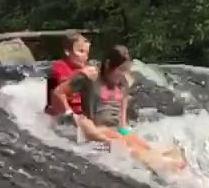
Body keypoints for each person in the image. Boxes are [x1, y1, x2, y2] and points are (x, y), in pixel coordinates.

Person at [53, 44, 186, 173]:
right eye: (121, 70)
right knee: (121, 143)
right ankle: (161, 162)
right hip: (97, 129)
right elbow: (58, 92)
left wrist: (127, 132)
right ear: (108, 64)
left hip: (116, 129)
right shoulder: (90, 75)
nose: (123, 74)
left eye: (126, 70)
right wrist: (70, 115)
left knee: (137, 143)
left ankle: (164, 159)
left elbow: (122, 120)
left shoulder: (124, 81)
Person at [44, 32, 93, 117]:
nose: (85, 57)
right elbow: (63, 86)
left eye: (87, 53)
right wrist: (82, 75)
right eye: (81, 51)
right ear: (67, 51)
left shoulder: (85, 68)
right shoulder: (59, 66)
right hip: (60, 114)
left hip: (80, 113)